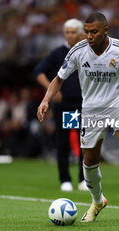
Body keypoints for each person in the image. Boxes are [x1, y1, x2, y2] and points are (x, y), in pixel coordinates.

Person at [37, 12, 119, 225]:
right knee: (89, 161)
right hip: (92, 111)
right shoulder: (77, 51)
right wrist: (46, 100)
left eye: (94, 31)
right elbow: (58, 79)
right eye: (86, 32)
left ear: (105, 30)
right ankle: (97, 201)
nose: (89, 36)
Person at [34, 19, 87, 192]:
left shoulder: (87, 51)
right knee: (64, 141)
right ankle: (65, 179)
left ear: (80, 34)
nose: (70, 35)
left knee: (85, 142)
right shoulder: (58, 53)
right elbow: (39, 72)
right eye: (67, 32)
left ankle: (83, 179)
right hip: (67, 105)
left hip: (85, 104)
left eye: (73, 32)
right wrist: (51, 92)